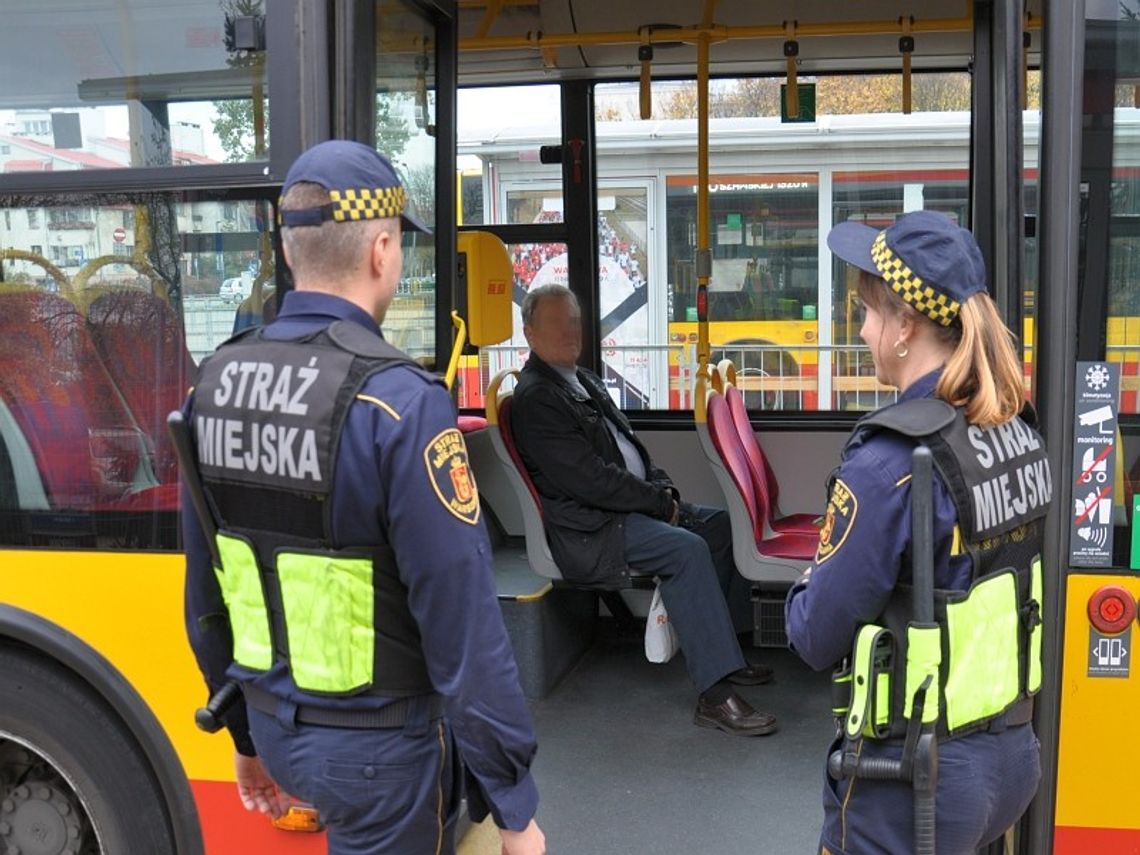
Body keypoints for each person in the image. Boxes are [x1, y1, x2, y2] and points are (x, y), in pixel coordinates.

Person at [180, 140, 545, 855]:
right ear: (381, 251)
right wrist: (514, 808)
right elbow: (462, 623)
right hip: (381, 752)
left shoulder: (212, 386)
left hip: (277, 726)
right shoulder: (398, 403)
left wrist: (244, 731)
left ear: (291, 252)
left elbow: (207, 594)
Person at [786, 210, 1050, 855]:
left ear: (905, 325)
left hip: (913, 782)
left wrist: (808, 579)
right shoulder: (1014, 428)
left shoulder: (891, 461)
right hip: (1011, 757)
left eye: (869, 313)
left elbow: (814, 635)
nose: (863, 328)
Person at [509, 283, 778, 737]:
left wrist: (664, 490)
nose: (568, 330)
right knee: (687, 550)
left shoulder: (585, 381)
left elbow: (629, 451)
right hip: (590, 527)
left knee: (721, 526)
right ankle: (714, 697)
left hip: (621, 509)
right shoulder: (537, 400)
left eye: (573, 320)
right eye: (555, 322)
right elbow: (589, 480)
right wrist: (659, 504)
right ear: (530, 332)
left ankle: (726, 653)